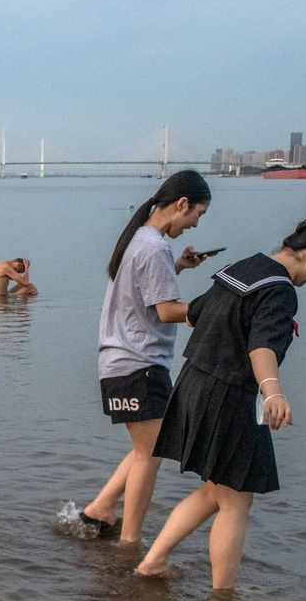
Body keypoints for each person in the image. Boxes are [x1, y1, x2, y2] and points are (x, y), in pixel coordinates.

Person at [136, 200, 306, 589]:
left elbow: (196, 313)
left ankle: (153, 562)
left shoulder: (244, 267)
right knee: (237, 502)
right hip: (229, 395)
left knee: (213, 493)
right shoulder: (281, 290)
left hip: (194, 384)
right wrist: (273, 393)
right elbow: (261, 347)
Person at [79, 170, 212, 544]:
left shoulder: (139, 239)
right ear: (181, 204)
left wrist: (179, 267)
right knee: (150, 455)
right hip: (138, 365)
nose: (194, 225)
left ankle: (100, 509)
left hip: (120, 362)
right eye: (197, 215)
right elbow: (166, 311)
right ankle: (130, 544)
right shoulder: (154, 247)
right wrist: (214, 310)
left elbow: (141, 290)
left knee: (146, 448)